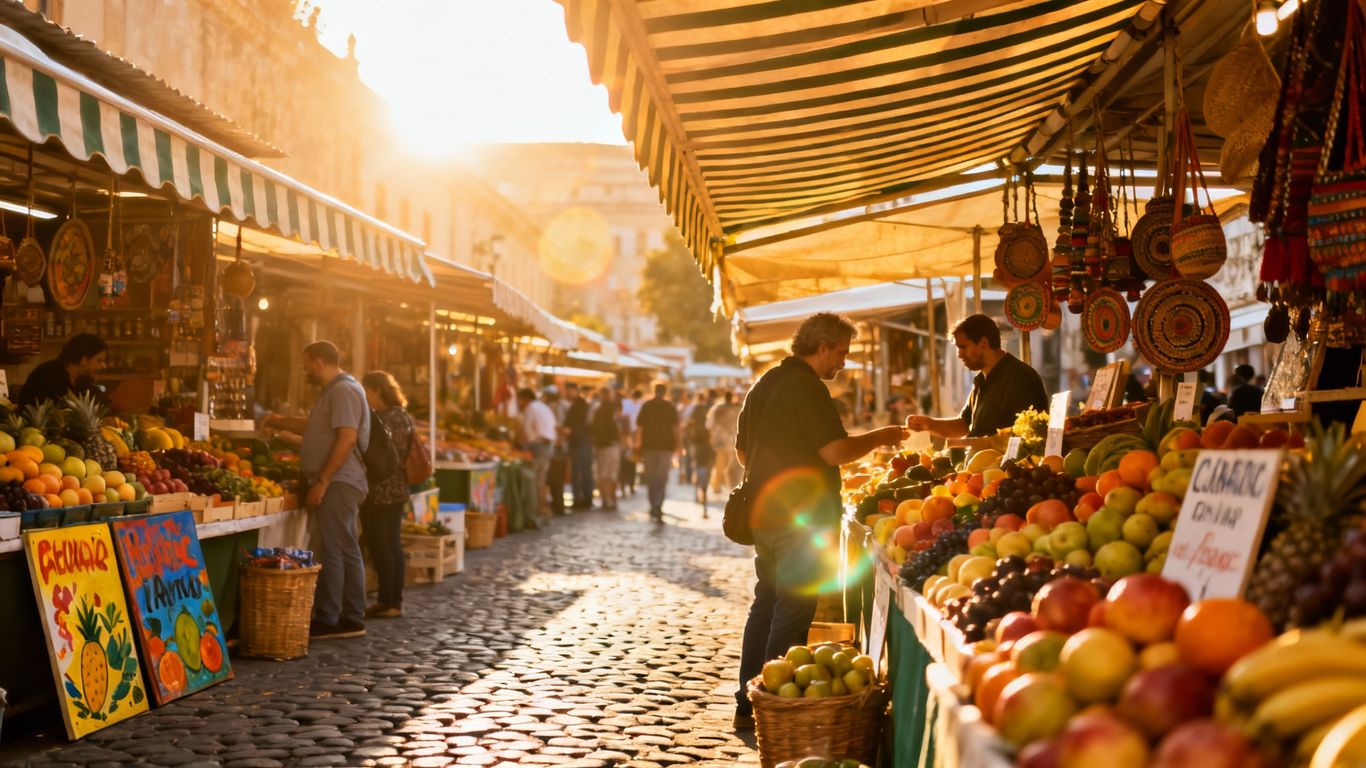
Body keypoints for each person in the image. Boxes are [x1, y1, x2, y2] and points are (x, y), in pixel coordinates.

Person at [733, 313, 908, 731]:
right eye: (842, 353)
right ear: (823, 346)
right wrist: (882, 437)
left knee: (766, 602)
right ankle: (774, 704)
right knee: (792, 608)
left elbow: (743, 453)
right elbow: (835, 452)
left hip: (764, 513)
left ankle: (747, 700)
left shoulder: (765, 383)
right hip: (802, 518)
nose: (843, 363)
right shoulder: (808, 389)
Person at [261, 341, 370, 640]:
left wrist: (323, 479)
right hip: (337, 480)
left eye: (307, 364)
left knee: (336, 548)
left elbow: (347, 438)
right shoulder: (334, 391)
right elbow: (316, 428)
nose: (305, 370)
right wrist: (280, 422)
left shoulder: (344, 390)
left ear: (319, 362)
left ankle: (336, 616)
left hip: (340, 481)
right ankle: (344, 614)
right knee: (339, 545)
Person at [905, 314, 1049, 439]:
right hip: (982, 466)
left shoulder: (1019, 376)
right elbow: (964, 424)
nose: (959, 354)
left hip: (1008, 468)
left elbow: (1015, 433)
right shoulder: (981, 380)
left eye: (963, 347)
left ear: (984, 343)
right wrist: (929, 424)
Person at [358, 371, 413, 620]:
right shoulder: (399, 416)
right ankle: (389, 599)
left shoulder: (389, 419)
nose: (364, 395)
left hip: (383, 490)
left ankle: (391, 600)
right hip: (396, 488)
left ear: (377, 390)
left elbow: (379, 454)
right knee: (390, 543)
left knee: (383, 544)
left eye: (366, 389)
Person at [17, 333, 107, 406]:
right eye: (99, 360)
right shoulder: (48, 375)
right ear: (84, 359)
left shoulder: (82, 382)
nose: (104, 366)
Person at [636, 382, 680, 523]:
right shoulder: (669, 407)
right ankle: (658, 504)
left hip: (649, 446)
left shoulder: (646, 406)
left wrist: (638, 444)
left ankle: (653, 504)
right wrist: (679, 444)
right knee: (661, 477)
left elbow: (639, 427)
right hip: (665, 446)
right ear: (665, 391)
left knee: (651, 477)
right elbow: (675, 428)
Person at [517, 387, 558, 518]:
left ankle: (537, 511)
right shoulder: (544, 407)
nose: (519, 403)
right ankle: (542, 510)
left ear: (525, 398)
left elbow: (527, 430)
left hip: (538, 446)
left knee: (537, 481)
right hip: (548, 446)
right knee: (542, 479)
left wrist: (524, 442)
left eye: (520, 399)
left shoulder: (530, 408)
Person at [562, 382, 594, 511]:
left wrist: (570, 432)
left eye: (569, 391)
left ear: (575, 390)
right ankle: (584, 499)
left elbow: (583, 425)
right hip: (580, 443)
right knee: (582, 473)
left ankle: (582, 499)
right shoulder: (577, 405)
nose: (567, 394)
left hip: (581, 443)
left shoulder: (581, 405)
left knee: (580, 473)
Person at [591, 387, 622, 510]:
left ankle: (606, 499)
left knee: (604, 474)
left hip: (603, 445)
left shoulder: (599, 410)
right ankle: (611, 499)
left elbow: (593, 427)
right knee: (611, 474)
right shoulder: (610, 408)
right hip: (610, 445)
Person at [707, 390, 743, 492]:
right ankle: (733, 485)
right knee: (733, 466)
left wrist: (712, 436)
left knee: (720, 464)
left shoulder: (717, 408)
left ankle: (717, 486)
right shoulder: (738, 408)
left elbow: (709, 424)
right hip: (733, 441)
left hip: (720, 441)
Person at [688, 392, 716, 510]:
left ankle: (698, 490)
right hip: (709, 443)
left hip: (697, 443)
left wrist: (689, 438)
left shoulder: (695, 409)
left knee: (698, 466)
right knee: (708, 466)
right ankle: (703, 489)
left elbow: (689, 424)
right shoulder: (710, 408)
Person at [543, 385, 568, 514]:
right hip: (559, 447)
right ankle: (558, 505)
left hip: (557, 448)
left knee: (555, 479)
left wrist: (558, 439)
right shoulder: (560, 406)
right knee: (556, 480)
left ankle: (558, 506)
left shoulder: (555, 407)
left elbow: (557, 426)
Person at [618, 388, 643, 494]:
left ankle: (629, 484)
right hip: (628, 435)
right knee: (627, 462)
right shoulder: (627, 404)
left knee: (630, 462)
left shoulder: (636, 405)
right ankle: (627, 485)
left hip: (631, 435)